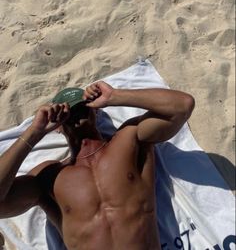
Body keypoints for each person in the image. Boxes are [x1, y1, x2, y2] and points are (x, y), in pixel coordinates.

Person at [0, 81, 195, 250]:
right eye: (66, 112)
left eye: (81, 106)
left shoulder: (129, 139)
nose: (75, 114)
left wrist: (115, 96)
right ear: (58, 127)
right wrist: (34, 133)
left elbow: (182, 106)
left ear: (95, 110)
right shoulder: (49, 177)